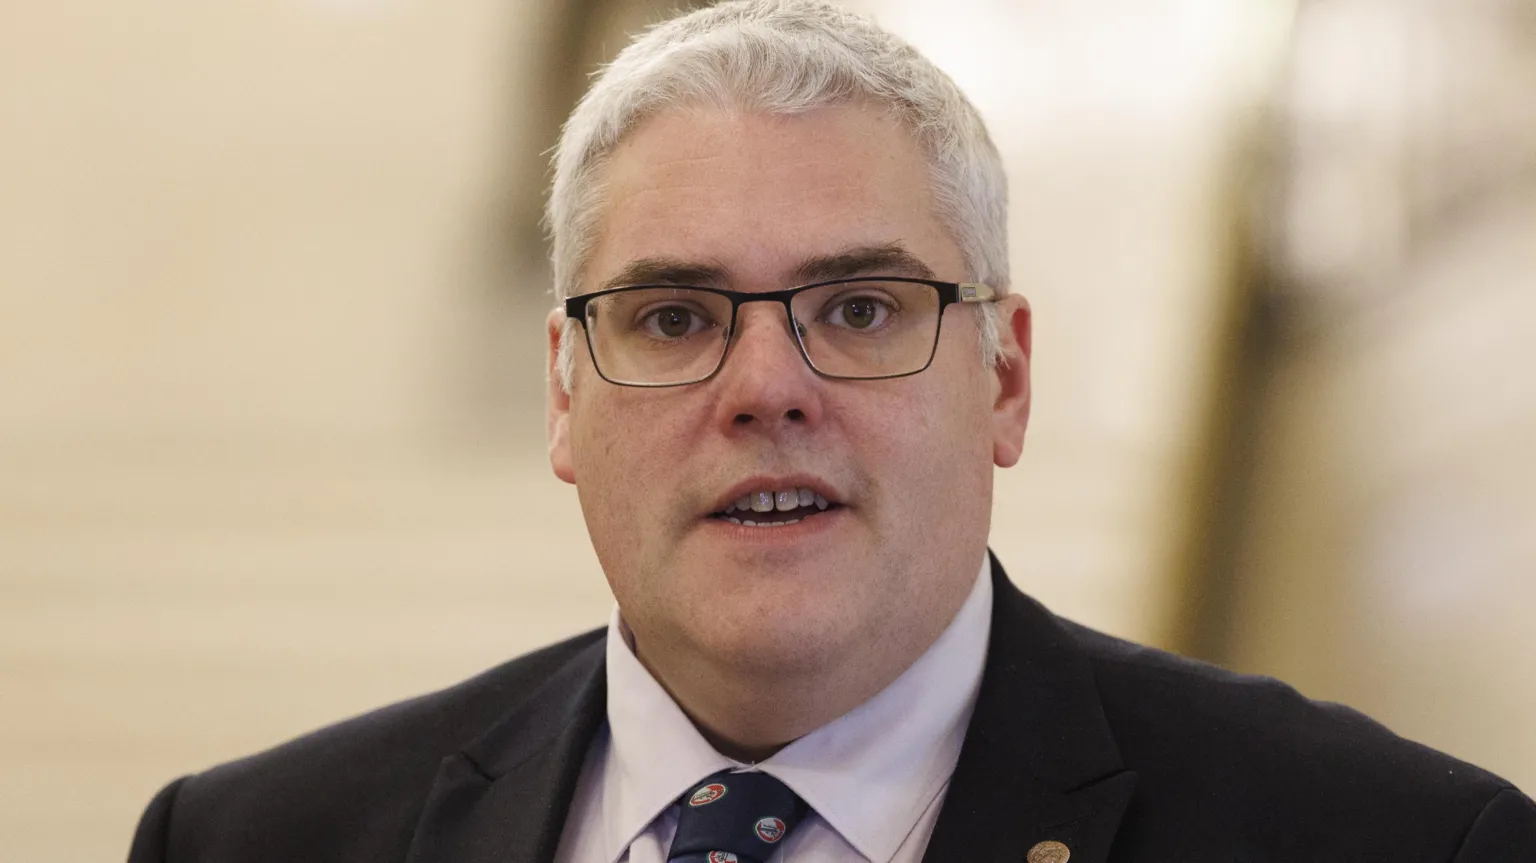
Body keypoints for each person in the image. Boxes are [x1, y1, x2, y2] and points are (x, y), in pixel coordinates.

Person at [128, 1, 1535, 861]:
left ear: (1005, 378)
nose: (765, 387)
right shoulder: (252, 842)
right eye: (675, 317)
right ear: (565, 391)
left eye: (858, 310)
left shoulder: (1395, 843)